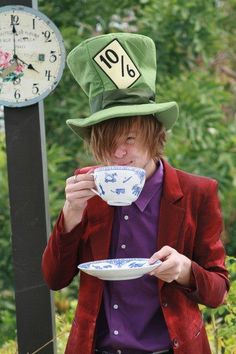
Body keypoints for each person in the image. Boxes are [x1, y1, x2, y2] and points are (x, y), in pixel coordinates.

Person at [42, 33, 229, 354]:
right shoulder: (85, 188)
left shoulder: (197, 192)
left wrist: (185, 271)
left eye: (129, 138)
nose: (117, 153)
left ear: (154, 133)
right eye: (106, 141)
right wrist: (70, 214)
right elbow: (55, 279)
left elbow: (217, 292)